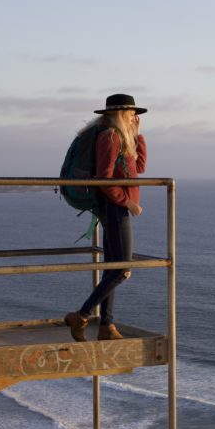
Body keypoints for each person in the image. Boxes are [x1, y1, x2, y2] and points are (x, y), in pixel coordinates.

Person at [64, 93, 147, 342]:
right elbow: (104, 178)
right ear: (121, 114)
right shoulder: (109, 137)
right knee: (122, 269)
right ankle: (81, 315)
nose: (135, 117)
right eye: (132, 114)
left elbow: (139, 168)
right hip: (114, 207)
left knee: (113, 266)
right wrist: (128, 202)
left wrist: (138, 135)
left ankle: (106, 325)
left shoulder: (122, 137)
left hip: (117, 207)